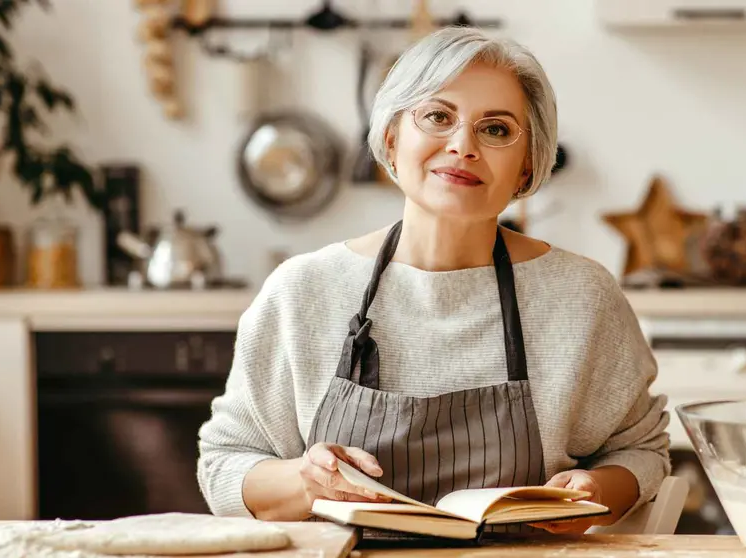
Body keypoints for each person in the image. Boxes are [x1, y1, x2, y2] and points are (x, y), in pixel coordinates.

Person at [197, 26, 670, 536]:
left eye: (496, 130)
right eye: (438, 117)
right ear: (393, 138)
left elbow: (638, 450)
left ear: (527, 164)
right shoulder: (302, 292)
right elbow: (225, 464)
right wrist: (305, 482)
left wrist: (597, 493)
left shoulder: (581, 296)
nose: (463, 146)